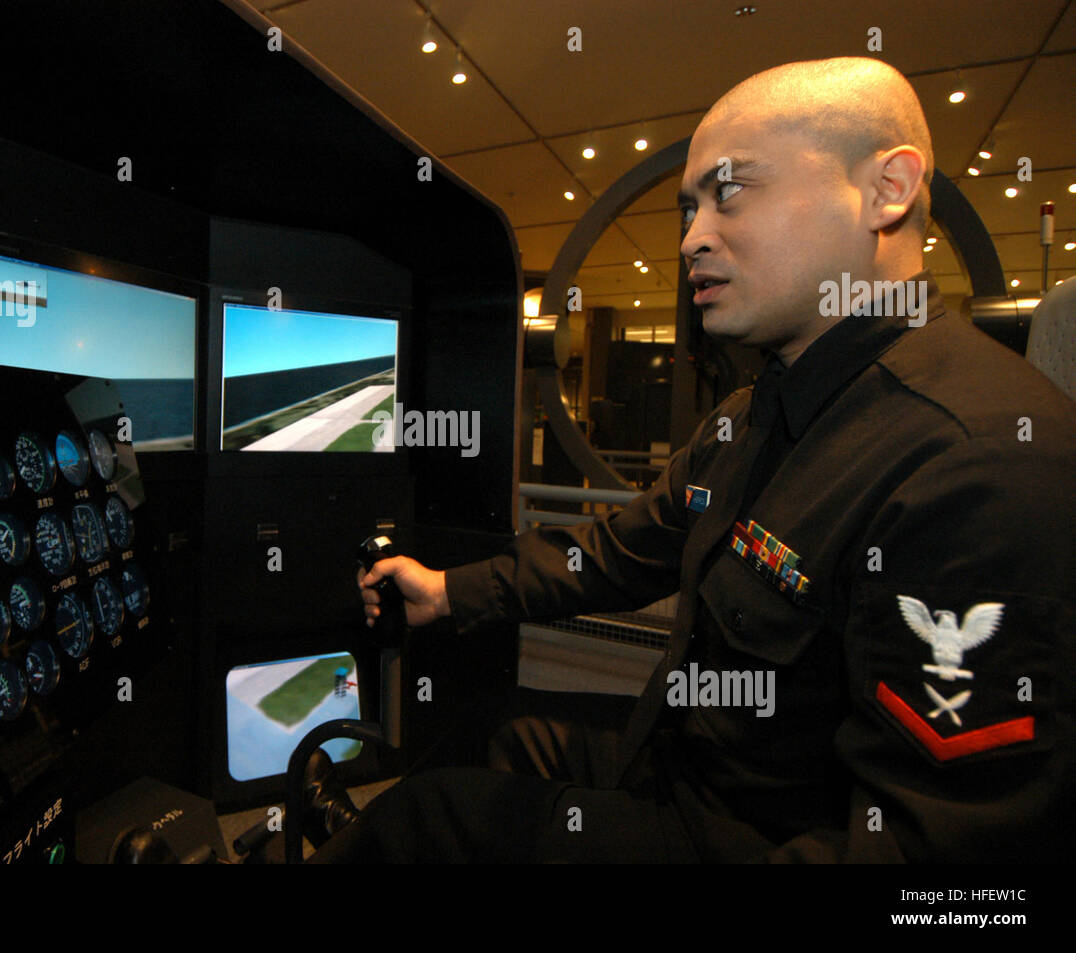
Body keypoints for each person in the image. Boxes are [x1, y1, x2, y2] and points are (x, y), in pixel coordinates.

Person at [316, 56, 1076, 863]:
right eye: (689, 208)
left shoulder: (979, 461)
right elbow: (619, 551)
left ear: (886, 190)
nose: (692, 238)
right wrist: (445, 591)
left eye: (731, 191)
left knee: (430, 818)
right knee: (494, 732)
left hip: (753, 834)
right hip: (681, 759)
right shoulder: (755, 415)